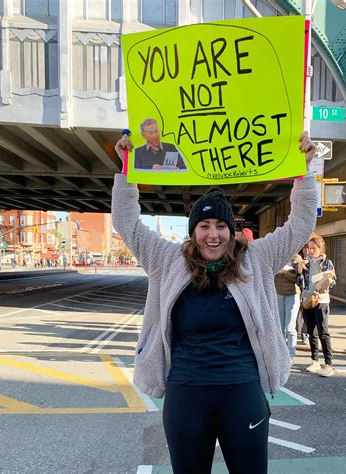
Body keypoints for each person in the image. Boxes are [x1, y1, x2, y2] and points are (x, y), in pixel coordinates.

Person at [113, 131, 317, 474]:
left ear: (231, 229)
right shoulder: (167, 259)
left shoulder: (256, 258)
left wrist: (304, 171)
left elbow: (299, 226)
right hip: (186, 395)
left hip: (242, 393)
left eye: (221, 225)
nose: (213, 234)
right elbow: (128, 224)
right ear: (193, 230)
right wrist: (126, 170)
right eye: (204, 225)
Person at [299, 234, 336, 377]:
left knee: (323, 331)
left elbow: (333, 281)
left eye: (313, 248)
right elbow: (299, 281)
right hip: (308, 300)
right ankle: (315, 361)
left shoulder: (327, 263)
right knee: (311, 331)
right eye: (309, 248)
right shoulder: (305, 262)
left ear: (320, 248)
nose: (310, 250)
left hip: (321, 300)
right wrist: (299, 271)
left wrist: (328, 279)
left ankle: (328, 364)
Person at [274, 257, 301, 361]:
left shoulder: (297, 259)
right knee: (280, 327)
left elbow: (298, 279)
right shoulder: (277, 257)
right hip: (278, 294)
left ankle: (291, 354)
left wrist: (284, 272)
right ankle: (281, 354)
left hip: (292, 295)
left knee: (290, 327)